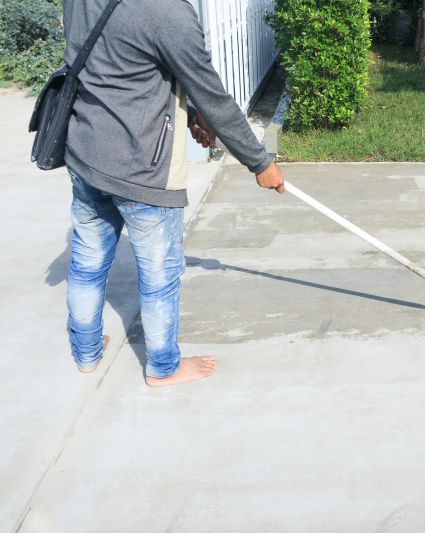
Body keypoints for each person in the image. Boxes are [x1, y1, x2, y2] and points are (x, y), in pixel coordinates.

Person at [62, 0, 284, 386]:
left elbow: (130, 57)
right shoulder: (167, 11)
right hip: (143, 170)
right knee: (159, 274)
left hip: (86, 151)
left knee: (87, 261)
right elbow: (211, 91)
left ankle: (86, 352)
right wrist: (259, 162)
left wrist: (193, 110)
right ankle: (163, 368)